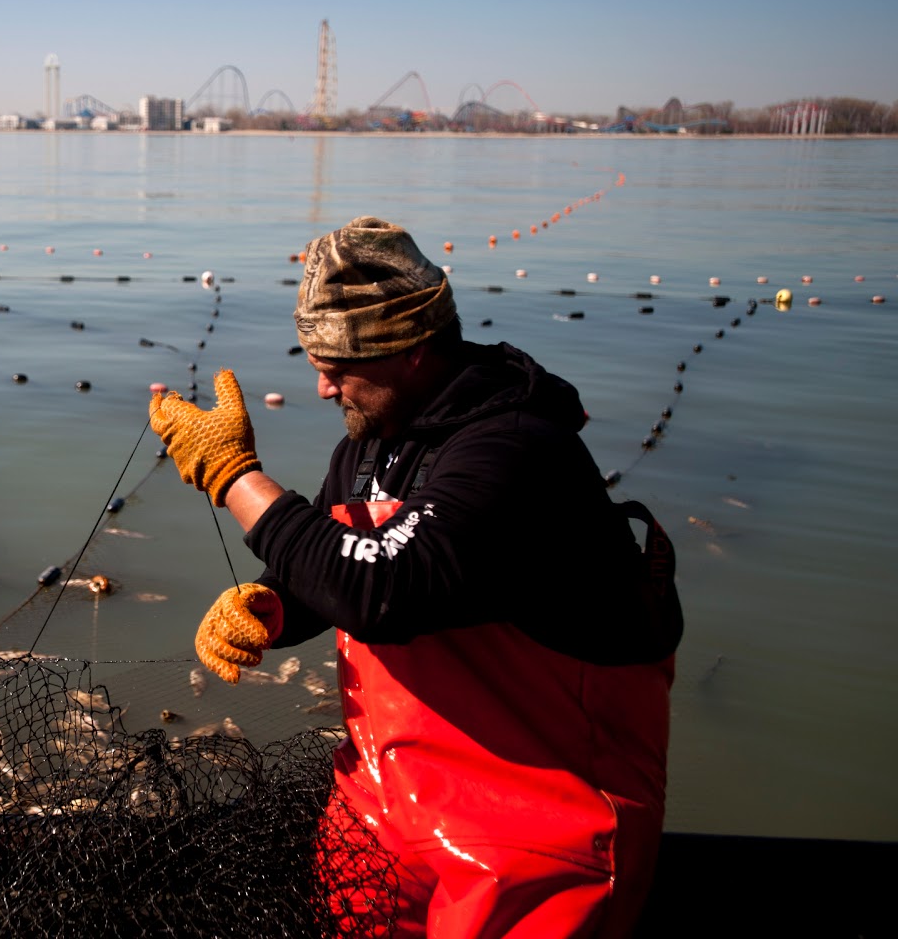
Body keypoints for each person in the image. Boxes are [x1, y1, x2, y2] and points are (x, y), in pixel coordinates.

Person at [149, 216, 682, 938]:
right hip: (382, 809)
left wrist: (236, 478)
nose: (322, 387)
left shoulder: (515, 449)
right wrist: (271, 605)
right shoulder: (369, 443)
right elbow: (335, 568)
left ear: (412, 347)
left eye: (339, 366)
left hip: (537, 832)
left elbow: (385, 589)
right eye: (316, 362)